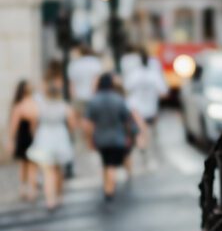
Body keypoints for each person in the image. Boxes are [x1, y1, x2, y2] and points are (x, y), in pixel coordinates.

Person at [82, 73, 138, 201]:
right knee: (111, 164)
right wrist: (130, 136)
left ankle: (108, 187)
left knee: (106, 163)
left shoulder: (94, 100)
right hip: (117, 138)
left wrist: (89, 139)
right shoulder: (118, 99)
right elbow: (127, 120)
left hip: (100, 138)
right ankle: (110, 190)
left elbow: (87, 124)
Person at [25, 76, 76, 211]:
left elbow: (34, 123)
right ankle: (58, 196)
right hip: (60, 136)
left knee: (48, 171)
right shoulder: (64, 106)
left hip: (45, 137)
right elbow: (72, 124)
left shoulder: (40, 106)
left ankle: (50, 200)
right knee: (58, 170)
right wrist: (68, 133)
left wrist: (36, 135)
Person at [124, 49, 168, 154]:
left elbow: (126, 89)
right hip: (151, 109)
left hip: (136, 109)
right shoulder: (154, 75)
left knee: (140, 132)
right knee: (149, 131)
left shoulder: (133, 74)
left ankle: (143, 150)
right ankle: (149, 151)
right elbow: (163, 92)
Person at [6, 80, 39, 201]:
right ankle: (31, 190)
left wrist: (10, 140)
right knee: (31, 166)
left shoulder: (19, 106)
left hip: (23, 138)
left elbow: (13, 126)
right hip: (31, 138)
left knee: (24, 165)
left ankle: (24, 188)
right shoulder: (34, 104)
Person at [67, 44, 103, 120]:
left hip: (78, 96)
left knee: (79, 120)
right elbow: (96, 82)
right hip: (91, 96)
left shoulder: (74, 64)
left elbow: (71, 84)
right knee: (91, 120)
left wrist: (73, 98)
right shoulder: (95, 63)